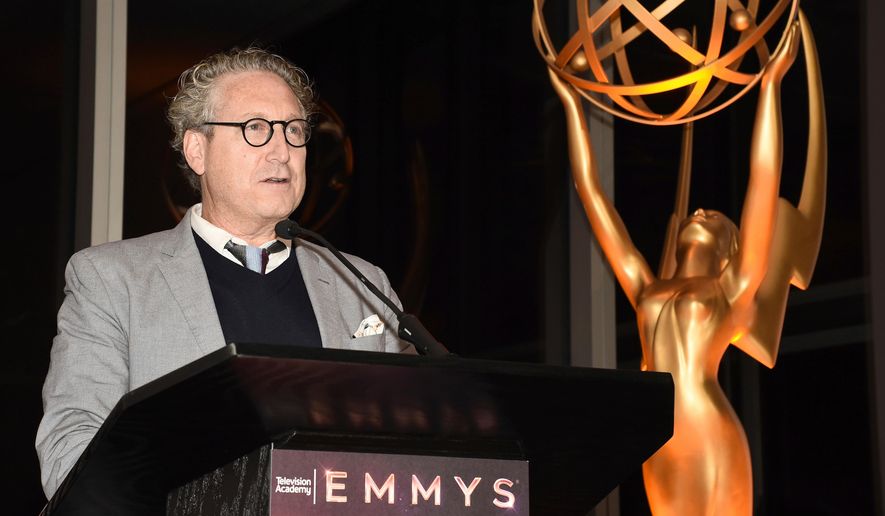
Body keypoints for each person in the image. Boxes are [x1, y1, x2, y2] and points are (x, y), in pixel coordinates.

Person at [35, 47, 414, 499]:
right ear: (198, 150)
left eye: (294, 131)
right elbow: (70, 452)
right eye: (255, 128)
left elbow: (417, 439)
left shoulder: (362, 283)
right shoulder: (112, 280)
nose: (282, 151)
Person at [549, 13, 825, 516]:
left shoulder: (735, 291)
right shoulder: (644, 286)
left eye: (715, 217)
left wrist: (771, 88)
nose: (700, 211)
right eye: (699, 210)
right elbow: (592, 197)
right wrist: (571, 104)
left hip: (709, 427)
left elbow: (763, 178)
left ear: (730, 250)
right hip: (663, 438)